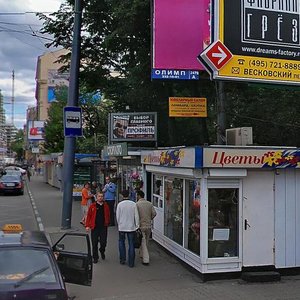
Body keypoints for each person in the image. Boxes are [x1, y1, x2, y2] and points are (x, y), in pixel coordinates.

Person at [116, 190, 139, 268]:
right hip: (131, 227)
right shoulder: (133, 204)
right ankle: (131, 262)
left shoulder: (120, 204)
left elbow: (117, 216)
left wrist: (119, 224)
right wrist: (137, 226)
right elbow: (136, 216)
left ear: (122, 195)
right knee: (131, 244)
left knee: (121, 242)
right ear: (129, 195)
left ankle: (122, 259)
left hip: (122, 227)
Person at [85, 192, 110, 263]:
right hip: (94, 227)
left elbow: (108, 214)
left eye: (102, 196)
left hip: (103, 227)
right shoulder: (93, 206)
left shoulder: (106, 206)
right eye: (99, 196)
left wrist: (107, 222)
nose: (100, 198)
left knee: (103, 242)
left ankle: (102, 250)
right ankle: (95, 257)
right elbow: (89, 216)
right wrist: (87, 226)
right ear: (96, 197)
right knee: (94, 243)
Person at [136, 190, 157, 265]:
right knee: (146, 241)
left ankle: (145, 259)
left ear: (138, 196)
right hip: (148, 225)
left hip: (141, 225)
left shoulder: (137, 204)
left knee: (143, 241)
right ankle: (142, 253)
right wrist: (150, 218)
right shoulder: (149, 204)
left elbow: (136, 215)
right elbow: (154, 213)